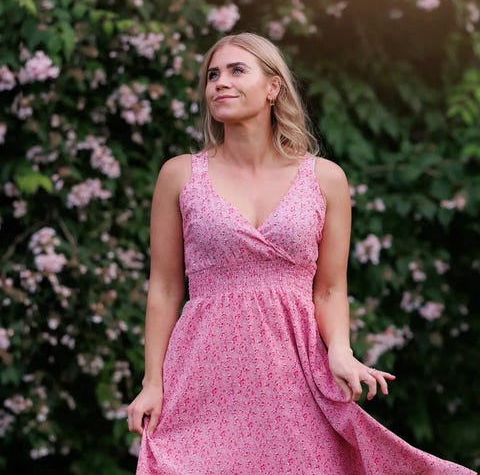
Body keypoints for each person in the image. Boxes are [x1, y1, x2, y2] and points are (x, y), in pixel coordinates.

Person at [127, 32, 475, 474]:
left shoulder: (325, 179)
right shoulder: (179, 175)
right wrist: (152, 382)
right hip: (202, 376)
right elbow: (164, 288)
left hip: (296, 373)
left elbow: (329, 289)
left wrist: (341, 351)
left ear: (273, 87)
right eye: (213, 75)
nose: (220, 83)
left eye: (237, 71)